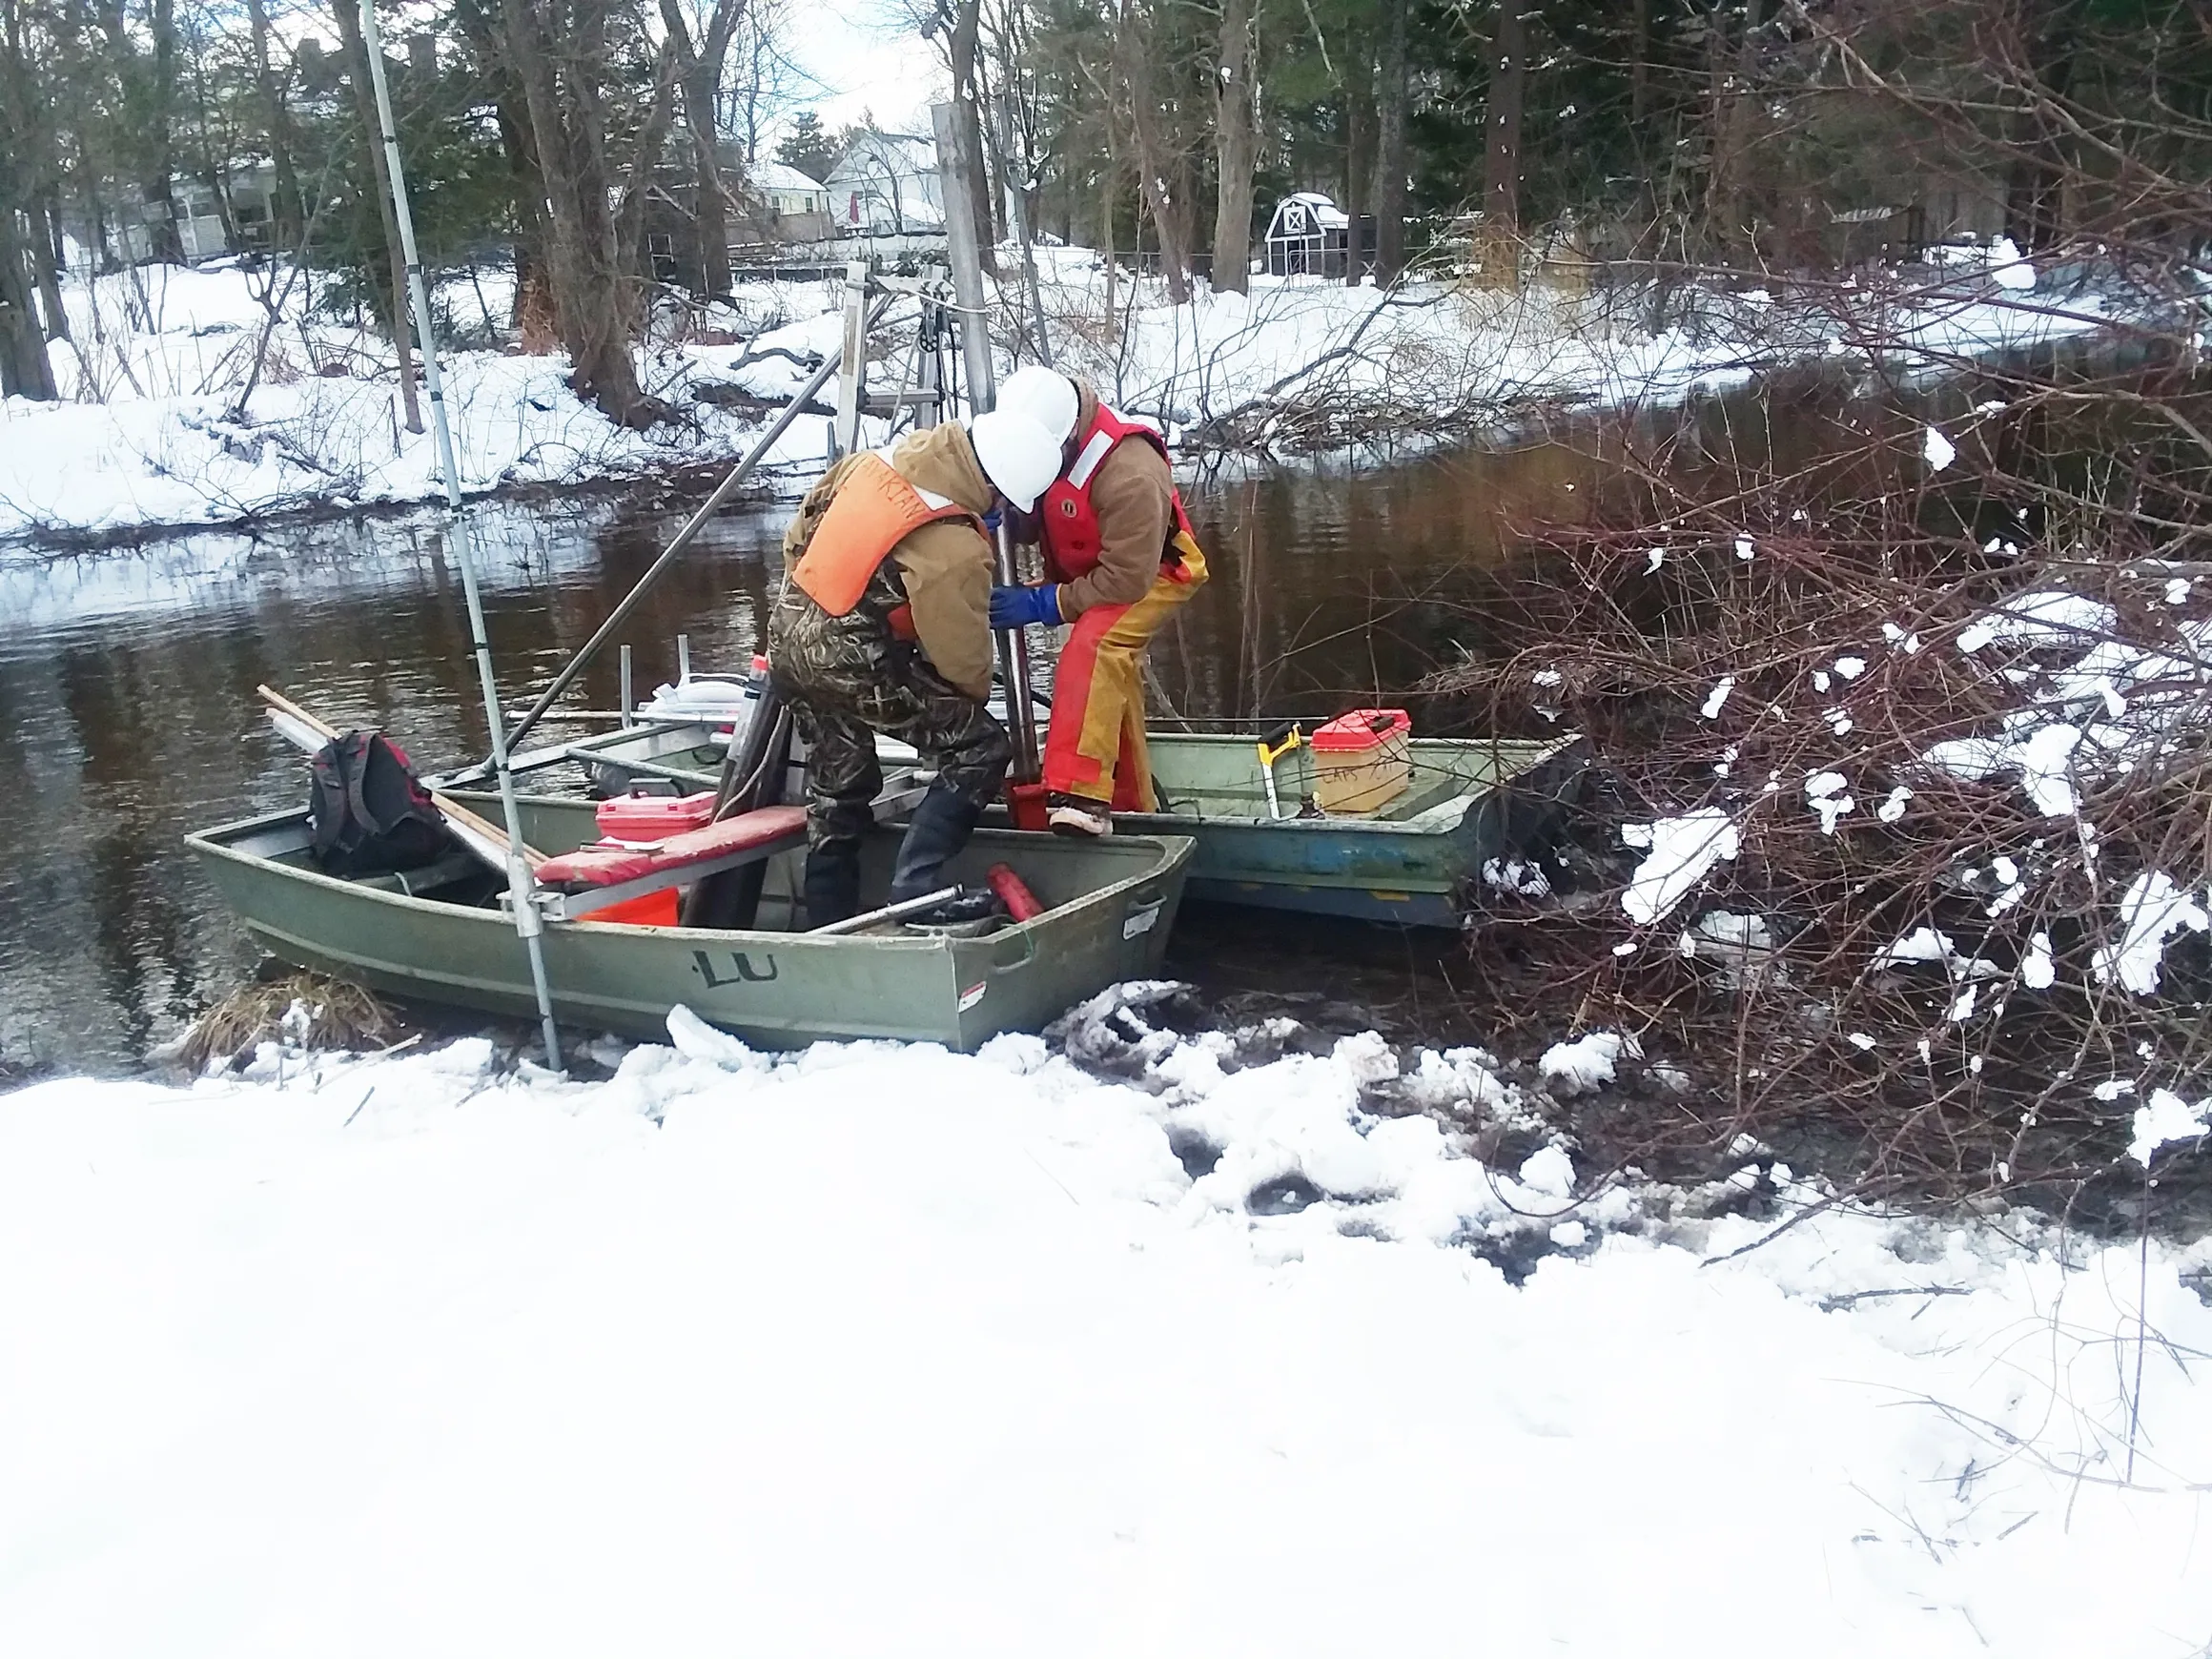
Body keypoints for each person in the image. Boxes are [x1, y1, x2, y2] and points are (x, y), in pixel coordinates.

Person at [768, 410, 1062, 926]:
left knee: (841, 784)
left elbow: (798, 537)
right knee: (980, 748)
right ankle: (915, 891)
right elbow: (964, 666)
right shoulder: (954, 547)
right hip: (855, 659)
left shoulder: (873, 462)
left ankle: (826, 925)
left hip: (788, 634)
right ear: (996, 487)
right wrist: (944, 699)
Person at [987, 366, 1209, 836]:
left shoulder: (1130, 472)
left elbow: (1127, 579)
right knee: (1109, 684)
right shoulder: (1047, 448)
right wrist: (1006, 509)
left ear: (1065, 437)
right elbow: (1046, 514)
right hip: (1098, 573)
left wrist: (1049, 603)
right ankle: (1132, 800)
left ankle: (1083, 796)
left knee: (1095, 646)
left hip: (1155, 573)